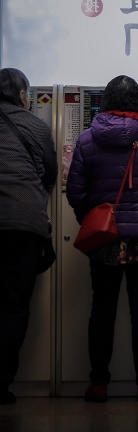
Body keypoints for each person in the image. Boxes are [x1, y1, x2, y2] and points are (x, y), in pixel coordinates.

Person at [66, 74, 138, 403]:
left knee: (101, 309)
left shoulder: (88, 139)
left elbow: (75, 191)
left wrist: (92, 220)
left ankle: (98, 383)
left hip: (103, 240)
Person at [0, 68, 56, 405]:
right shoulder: (35, 125)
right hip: (22, 225)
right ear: (23, 96)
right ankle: (2, 382)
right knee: (14, 305)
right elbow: (49, 172)